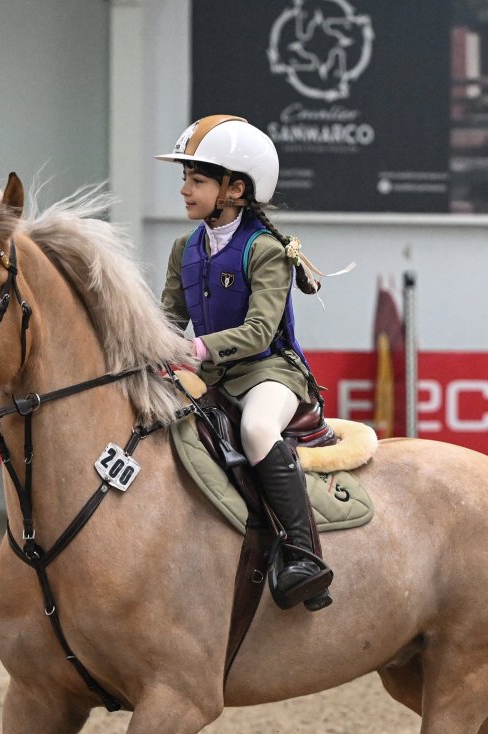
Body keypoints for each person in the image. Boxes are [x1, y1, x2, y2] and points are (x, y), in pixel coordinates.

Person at [156, 115, 333, 612]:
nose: (185, 190)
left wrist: (194, 350)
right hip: (210, 376)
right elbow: (169, 318)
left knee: (256, 430)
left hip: (269, 372)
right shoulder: (183, 249)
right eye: (184, 179)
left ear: (235, 189)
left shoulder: (266, 250)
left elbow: (258, 331)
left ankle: (304, 555)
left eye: (198, 180)